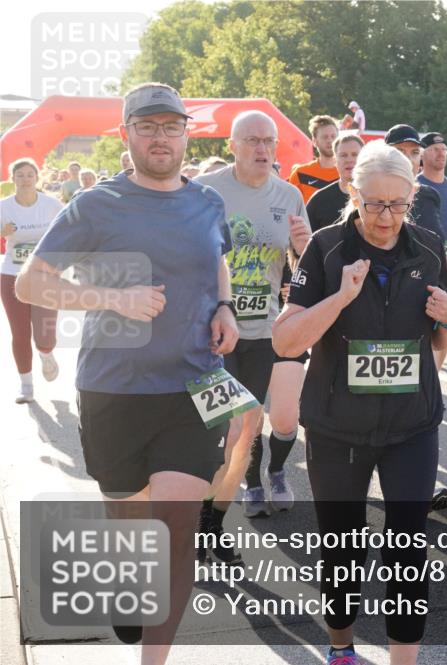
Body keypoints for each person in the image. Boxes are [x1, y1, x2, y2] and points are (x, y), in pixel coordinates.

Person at [15, 81, 240, 662]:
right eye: (148, 127)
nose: (161, 138)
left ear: (187, 134)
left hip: (194, 385)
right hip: (113, 389)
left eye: (171, 127)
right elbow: (30, 283)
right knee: (129, 518)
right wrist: (111, 299)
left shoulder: (208, 202)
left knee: (176, 528)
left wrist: (225, 307)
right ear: (126, 135)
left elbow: (217, 261)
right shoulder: (95, 205)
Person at [273, 141, 447, 665]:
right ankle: (342, 648)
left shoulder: (426, 245)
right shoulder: (327, 248)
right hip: (337, 426)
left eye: (397, 205)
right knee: (342, 545)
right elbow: (286, 343)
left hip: (412, 425)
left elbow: (442, 341)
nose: (385, 217)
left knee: (407, 549)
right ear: (354, 193)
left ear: (412, 197)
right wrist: (341, 298)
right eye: (374, 204)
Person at [196, 110, 311, 543]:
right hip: (212, 335)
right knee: (223, 428)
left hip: (265, 331)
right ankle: (207, 520)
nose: (262, 149)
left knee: (254, 427)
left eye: (269, 141)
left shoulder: (288, 196)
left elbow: (304, 267)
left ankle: (228, 508)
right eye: (252, 141)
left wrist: (302, 251)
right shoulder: (206, 192)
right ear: (232, 146)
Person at [1, 158, 62, 402]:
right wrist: (2, 233)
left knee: (45, 332)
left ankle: (46, 354)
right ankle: (26, 386)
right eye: (20, 175)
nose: (25, 179)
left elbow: (67, 231)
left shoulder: (51, 205)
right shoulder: (4, 206)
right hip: (11, 274)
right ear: (12, 178)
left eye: (29, 175)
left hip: (45, 274)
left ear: (37, 178)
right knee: (20, 331)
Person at [418, 131, 447, 368]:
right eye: (435, 149)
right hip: (424, 265)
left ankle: (433, 379)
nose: (441, 154)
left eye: (444, 149)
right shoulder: (415, 185)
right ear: (422, 154)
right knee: (425, 323)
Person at [384, 125, 445, 239]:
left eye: (415, 152)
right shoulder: (372, 195)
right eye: (400, 151)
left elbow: (438, 242)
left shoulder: (429, 195)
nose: (408, 159)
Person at [307, 133, 364, 232]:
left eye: (355, 155)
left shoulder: (376, 197)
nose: (349, 160)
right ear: (335, 161)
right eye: (343, 155)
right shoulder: (319, 200)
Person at [288, 114, 340, 204]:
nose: (330, 140)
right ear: (314, 141)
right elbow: (290, 208)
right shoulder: (300, 174)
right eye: (325, 137)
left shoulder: (350, 173)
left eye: (333, 136)